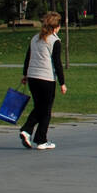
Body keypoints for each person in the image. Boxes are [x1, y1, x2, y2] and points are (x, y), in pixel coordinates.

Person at [20, 11, 67, 150]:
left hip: (33, 77)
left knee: (40, 107)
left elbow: (28, 57)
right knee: (45, 109)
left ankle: (37, 136)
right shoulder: (55, 41)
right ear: (56, 27)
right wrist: (62, 83)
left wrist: (25, 75)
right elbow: (57, 63)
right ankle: (34, 134)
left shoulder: (35, 38)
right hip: (46, 78)